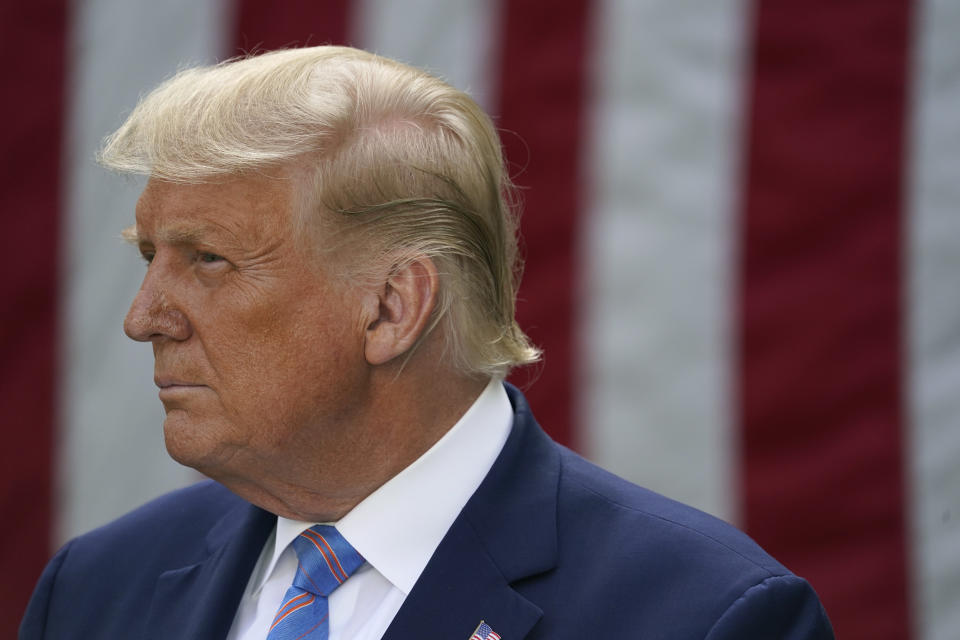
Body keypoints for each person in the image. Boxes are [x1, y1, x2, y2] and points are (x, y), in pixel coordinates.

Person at [21, 46, 834, 640]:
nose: (143, 316)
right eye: (147, 256)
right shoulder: (95, 592)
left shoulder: (706, 617)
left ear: (390, 308)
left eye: (208, 261)